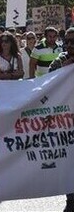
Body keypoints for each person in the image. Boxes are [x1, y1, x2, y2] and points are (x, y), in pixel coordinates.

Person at [49, 27, 74, 212]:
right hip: (66, 125)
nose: (71, 45)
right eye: (68, 41)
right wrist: (63, 73)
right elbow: (47, 88)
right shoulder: (59, 62)